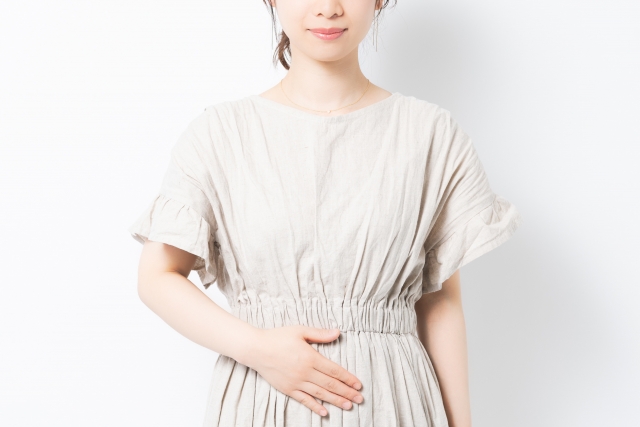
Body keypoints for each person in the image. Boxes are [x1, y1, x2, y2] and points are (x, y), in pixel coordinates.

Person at [128, 0, 523, 425]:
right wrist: (258, 349)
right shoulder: (220, 135)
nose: (328, 8)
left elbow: (439, 301)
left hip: (393, 402)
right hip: (263, 402)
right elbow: (157, 276)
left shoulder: (430, 134)